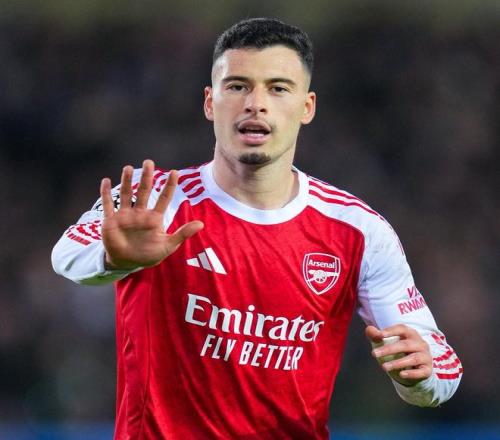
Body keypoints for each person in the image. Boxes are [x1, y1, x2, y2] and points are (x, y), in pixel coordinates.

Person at [52, 17, 462, 439]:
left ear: (307, 107)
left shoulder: (358, 230)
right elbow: (66, 254)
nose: (255, 103)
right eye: (237, 86)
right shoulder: (156, 200)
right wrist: (112, 258)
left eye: (278, 88)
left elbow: (441, 365)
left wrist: (419, 376)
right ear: (210, 102)